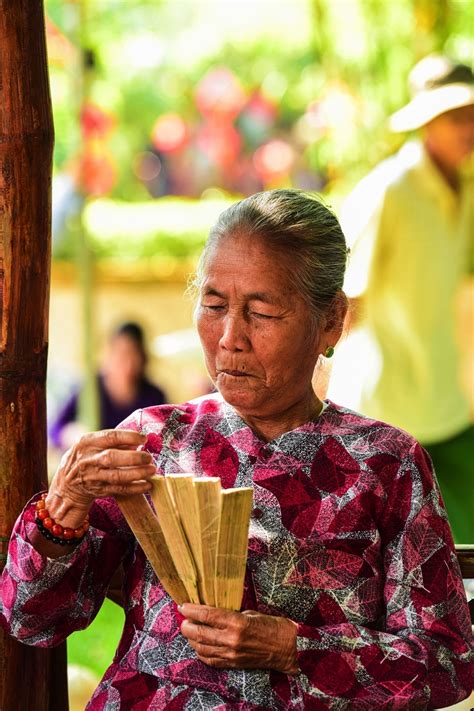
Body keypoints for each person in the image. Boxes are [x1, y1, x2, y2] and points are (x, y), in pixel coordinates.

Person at [0, 190, 472, 709]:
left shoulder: (384, 463)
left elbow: (446, 660)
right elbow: (30, 619)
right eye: (214, 305)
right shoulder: (155, 442)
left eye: (262, 312)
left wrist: (293, 648)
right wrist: (65, 505)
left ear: (332, 321)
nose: (230, 338)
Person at [328, 54, 474, 543]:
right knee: (388, 551)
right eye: (456, 117)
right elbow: (343, 299)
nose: (468, 128)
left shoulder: (469, 190)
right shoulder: (388, 192)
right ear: (427, 122)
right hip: (383, 407)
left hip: (448, 405)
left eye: (473, 115)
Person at [49, 321, 167, 449]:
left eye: (133, 354)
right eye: (121, 354)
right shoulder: (91, 390)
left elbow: (167, 436)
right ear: (109, 354)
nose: (127, 364)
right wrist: (71, 435)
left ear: (143, 357)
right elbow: (54, 430)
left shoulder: (154, 396)